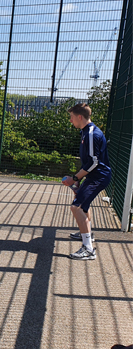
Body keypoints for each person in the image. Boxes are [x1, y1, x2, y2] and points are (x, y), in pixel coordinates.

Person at [62, 103, 111, 260]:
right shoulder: (86, 132)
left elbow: (93, 162)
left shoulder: (90, 134)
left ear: (79, 117)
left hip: (98, 177)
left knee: (76, 208)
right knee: (83, 207)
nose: (70, 121)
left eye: (71, 117)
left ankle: (88, 249)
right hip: (93, 176)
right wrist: (80, 179)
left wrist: (75, 178)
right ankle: (87, 233)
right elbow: (89, 161)